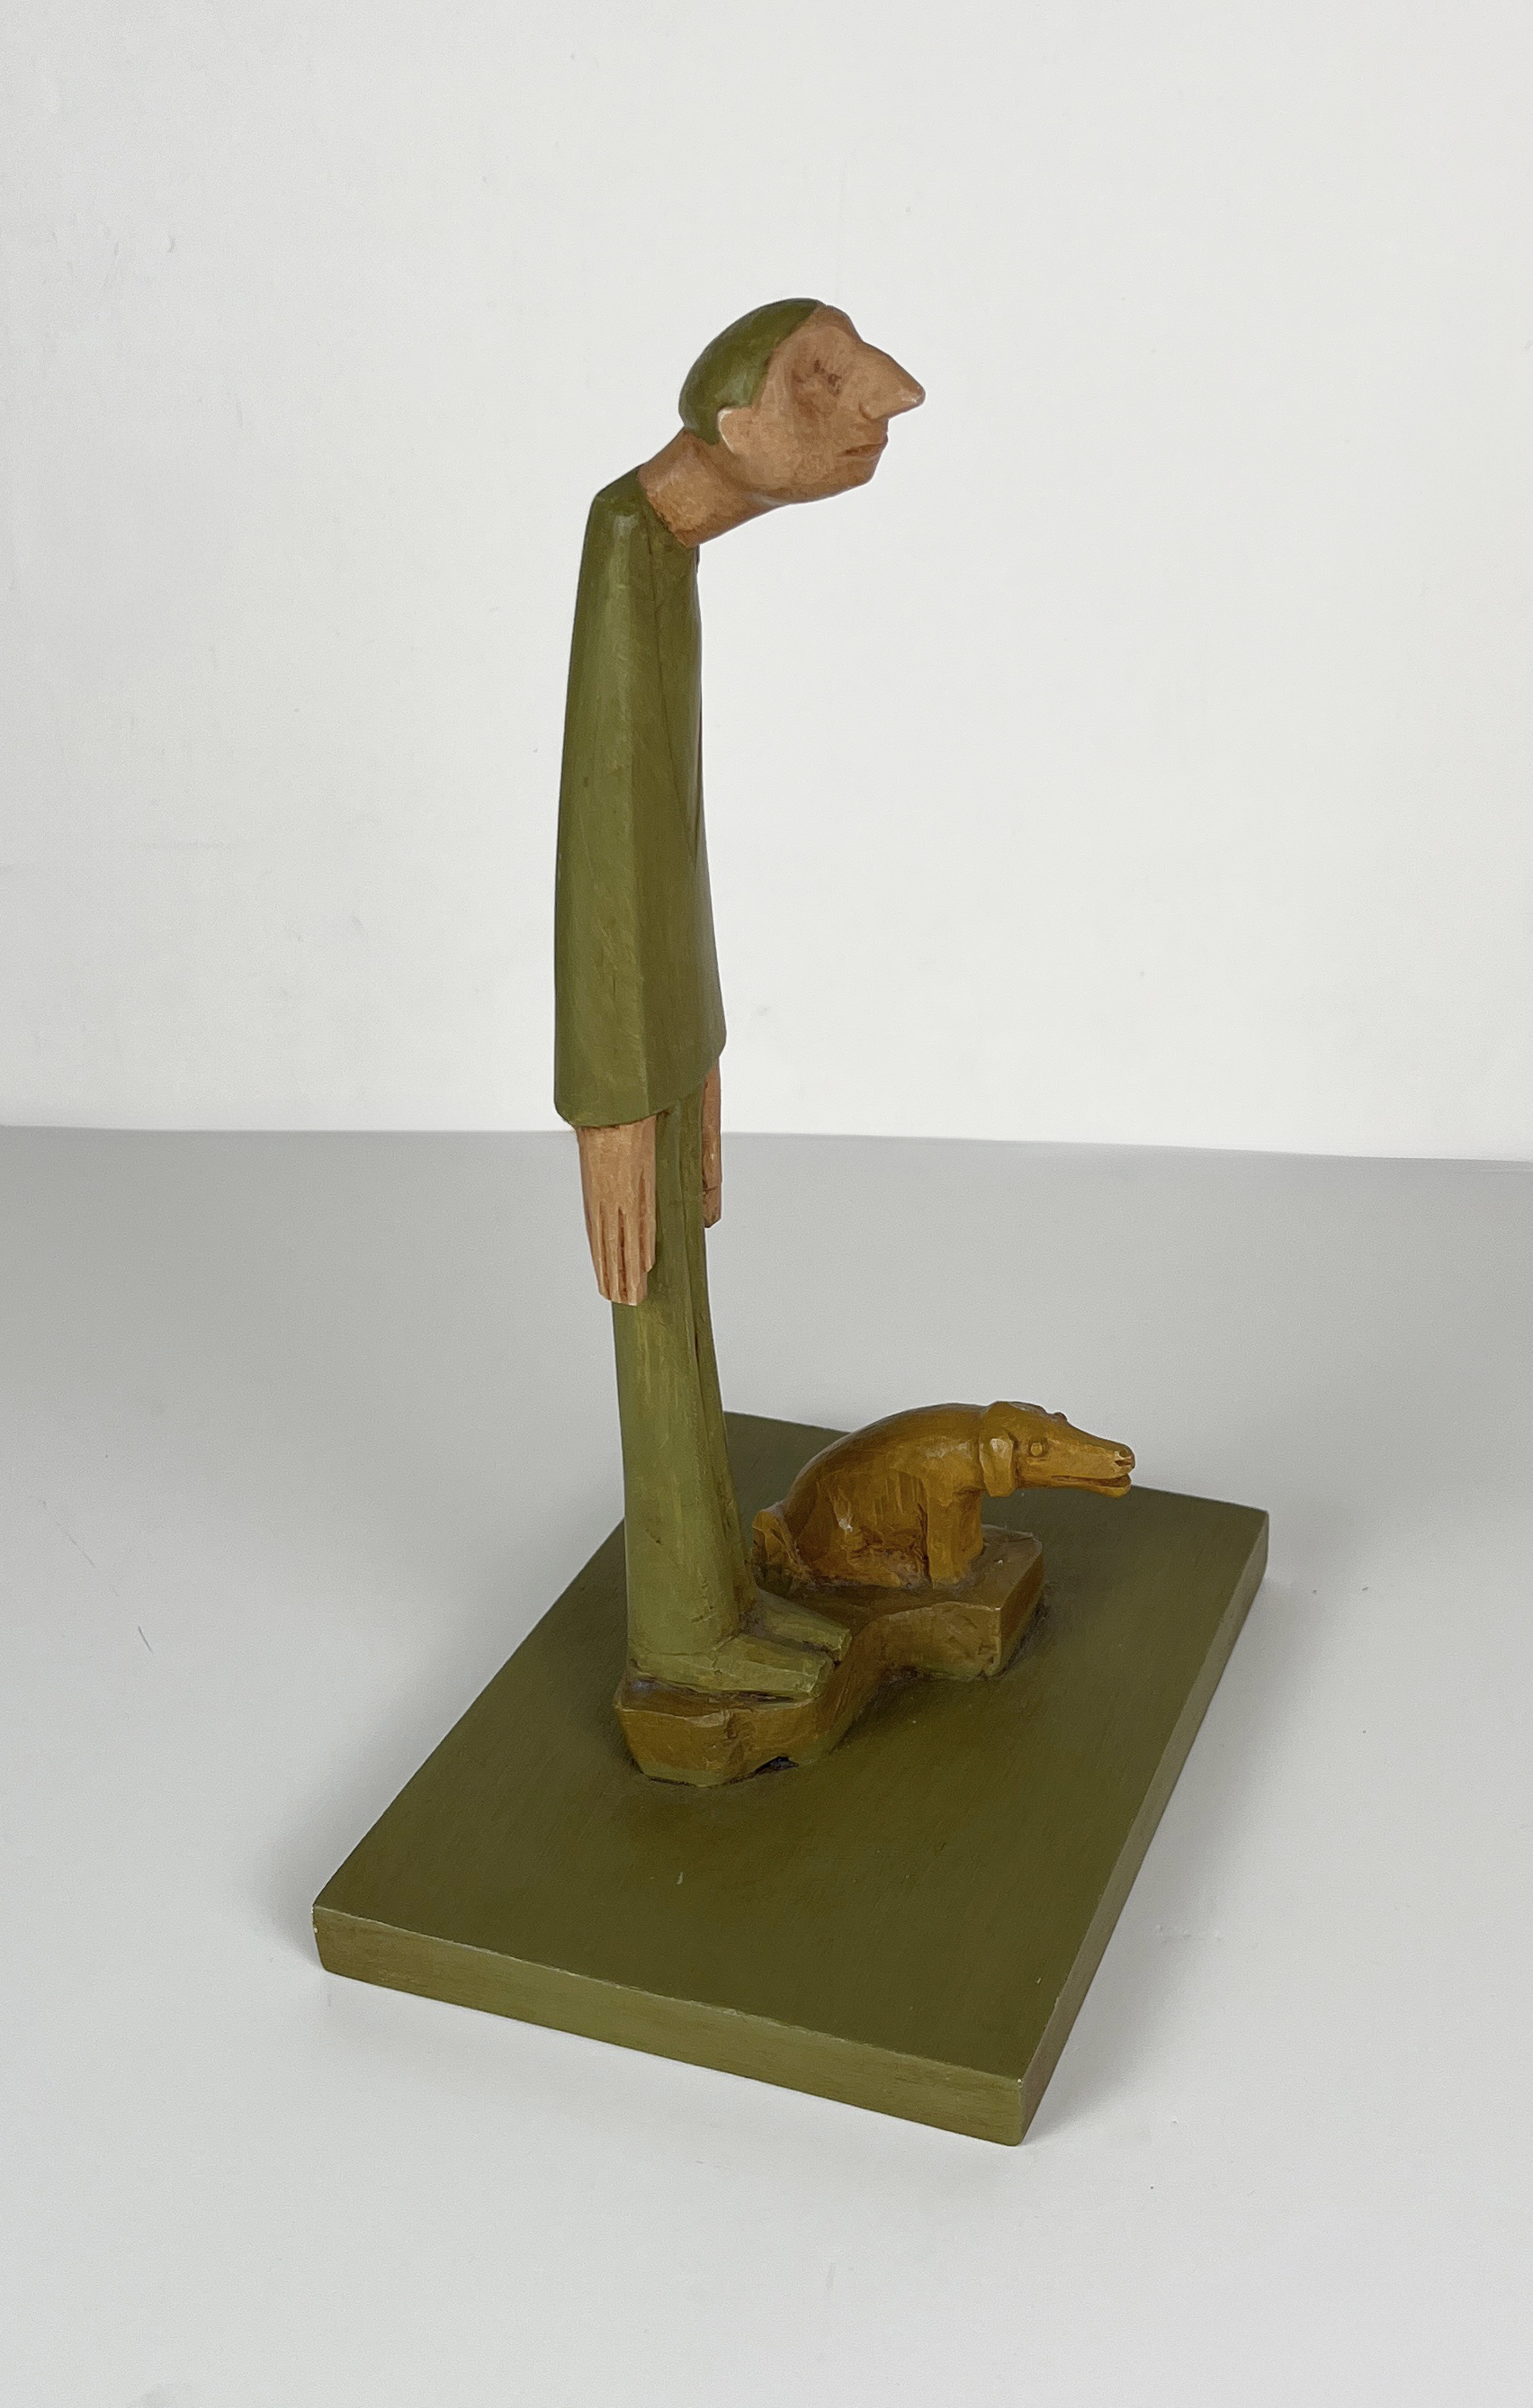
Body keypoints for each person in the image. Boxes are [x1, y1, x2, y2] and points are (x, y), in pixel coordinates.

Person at [553, 300, 924, 1697]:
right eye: (823, 380)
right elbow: (603, 846)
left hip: (664, 1035)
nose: (886, 396)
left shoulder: (666, 549)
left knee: (682, 1311)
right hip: (627, 1053)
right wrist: (611, 1100)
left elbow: (673, 833)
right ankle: (686, 1637)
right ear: (730, 429)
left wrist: (696, 1050)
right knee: (652, 1312)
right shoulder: (627, 553)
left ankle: (715, 1595)